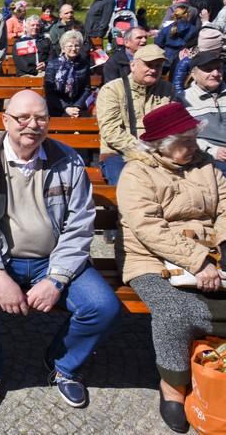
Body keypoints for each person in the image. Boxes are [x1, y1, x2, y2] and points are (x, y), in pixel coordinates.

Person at [0, 89, 122, 409]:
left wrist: (57, 278)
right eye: (23, 118)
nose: (32, 125)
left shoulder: (67, 160)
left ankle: (63, 365)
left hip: (52, 258)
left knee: (103, 308)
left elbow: (79, 226)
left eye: (40, 118)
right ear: (5, 121)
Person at [115, 102, 226, 434]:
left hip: (210, 251)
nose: (194, 146)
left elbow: (225, 205)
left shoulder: (205, 164)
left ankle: (211, 367)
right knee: (175, 312)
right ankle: (173, 386)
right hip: (148, 258)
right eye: (185, 141)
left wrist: (223, 245)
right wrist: (198, 261)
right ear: (160, 145)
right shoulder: (137, 172)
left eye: (194, 138)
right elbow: (148, 228)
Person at [97, 44, 176, 187]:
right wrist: (143, 150)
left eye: (158, 66)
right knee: (129, 188)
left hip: (160, 154)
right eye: (149, 65)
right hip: (119, 154)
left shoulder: (167, 89)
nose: (153, 70)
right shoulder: (113, 89)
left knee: (175, 186)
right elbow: (110, 130)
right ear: (133, 65)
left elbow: (173, 126)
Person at [182, 51, 226, 175]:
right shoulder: (184, 100)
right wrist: (213, 151)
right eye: (208, 69)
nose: (215, 73)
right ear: (194, 74)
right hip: (206, 157)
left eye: (218, 68)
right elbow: (182, 137)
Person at [44, 30, 91, 118]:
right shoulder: (53, 64)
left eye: (76, 45)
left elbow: (87, 89)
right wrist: (66, 107)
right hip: (57, 106)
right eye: (70, 46)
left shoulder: (84, 64)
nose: (73, 49)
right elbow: (49, 92)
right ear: (63, 48)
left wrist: (77, 106)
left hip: (78, 106)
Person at [174, 26, 223, 95]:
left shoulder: (220, 61)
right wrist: (183, 98)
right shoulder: (186, 62)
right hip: (192, 97)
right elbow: (178, 85)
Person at [156, 5, 198, 70]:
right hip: (183, 57)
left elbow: (158, 43)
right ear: (188, 15)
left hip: (167, 57)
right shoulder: (194, 30)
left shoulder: (167, 28)